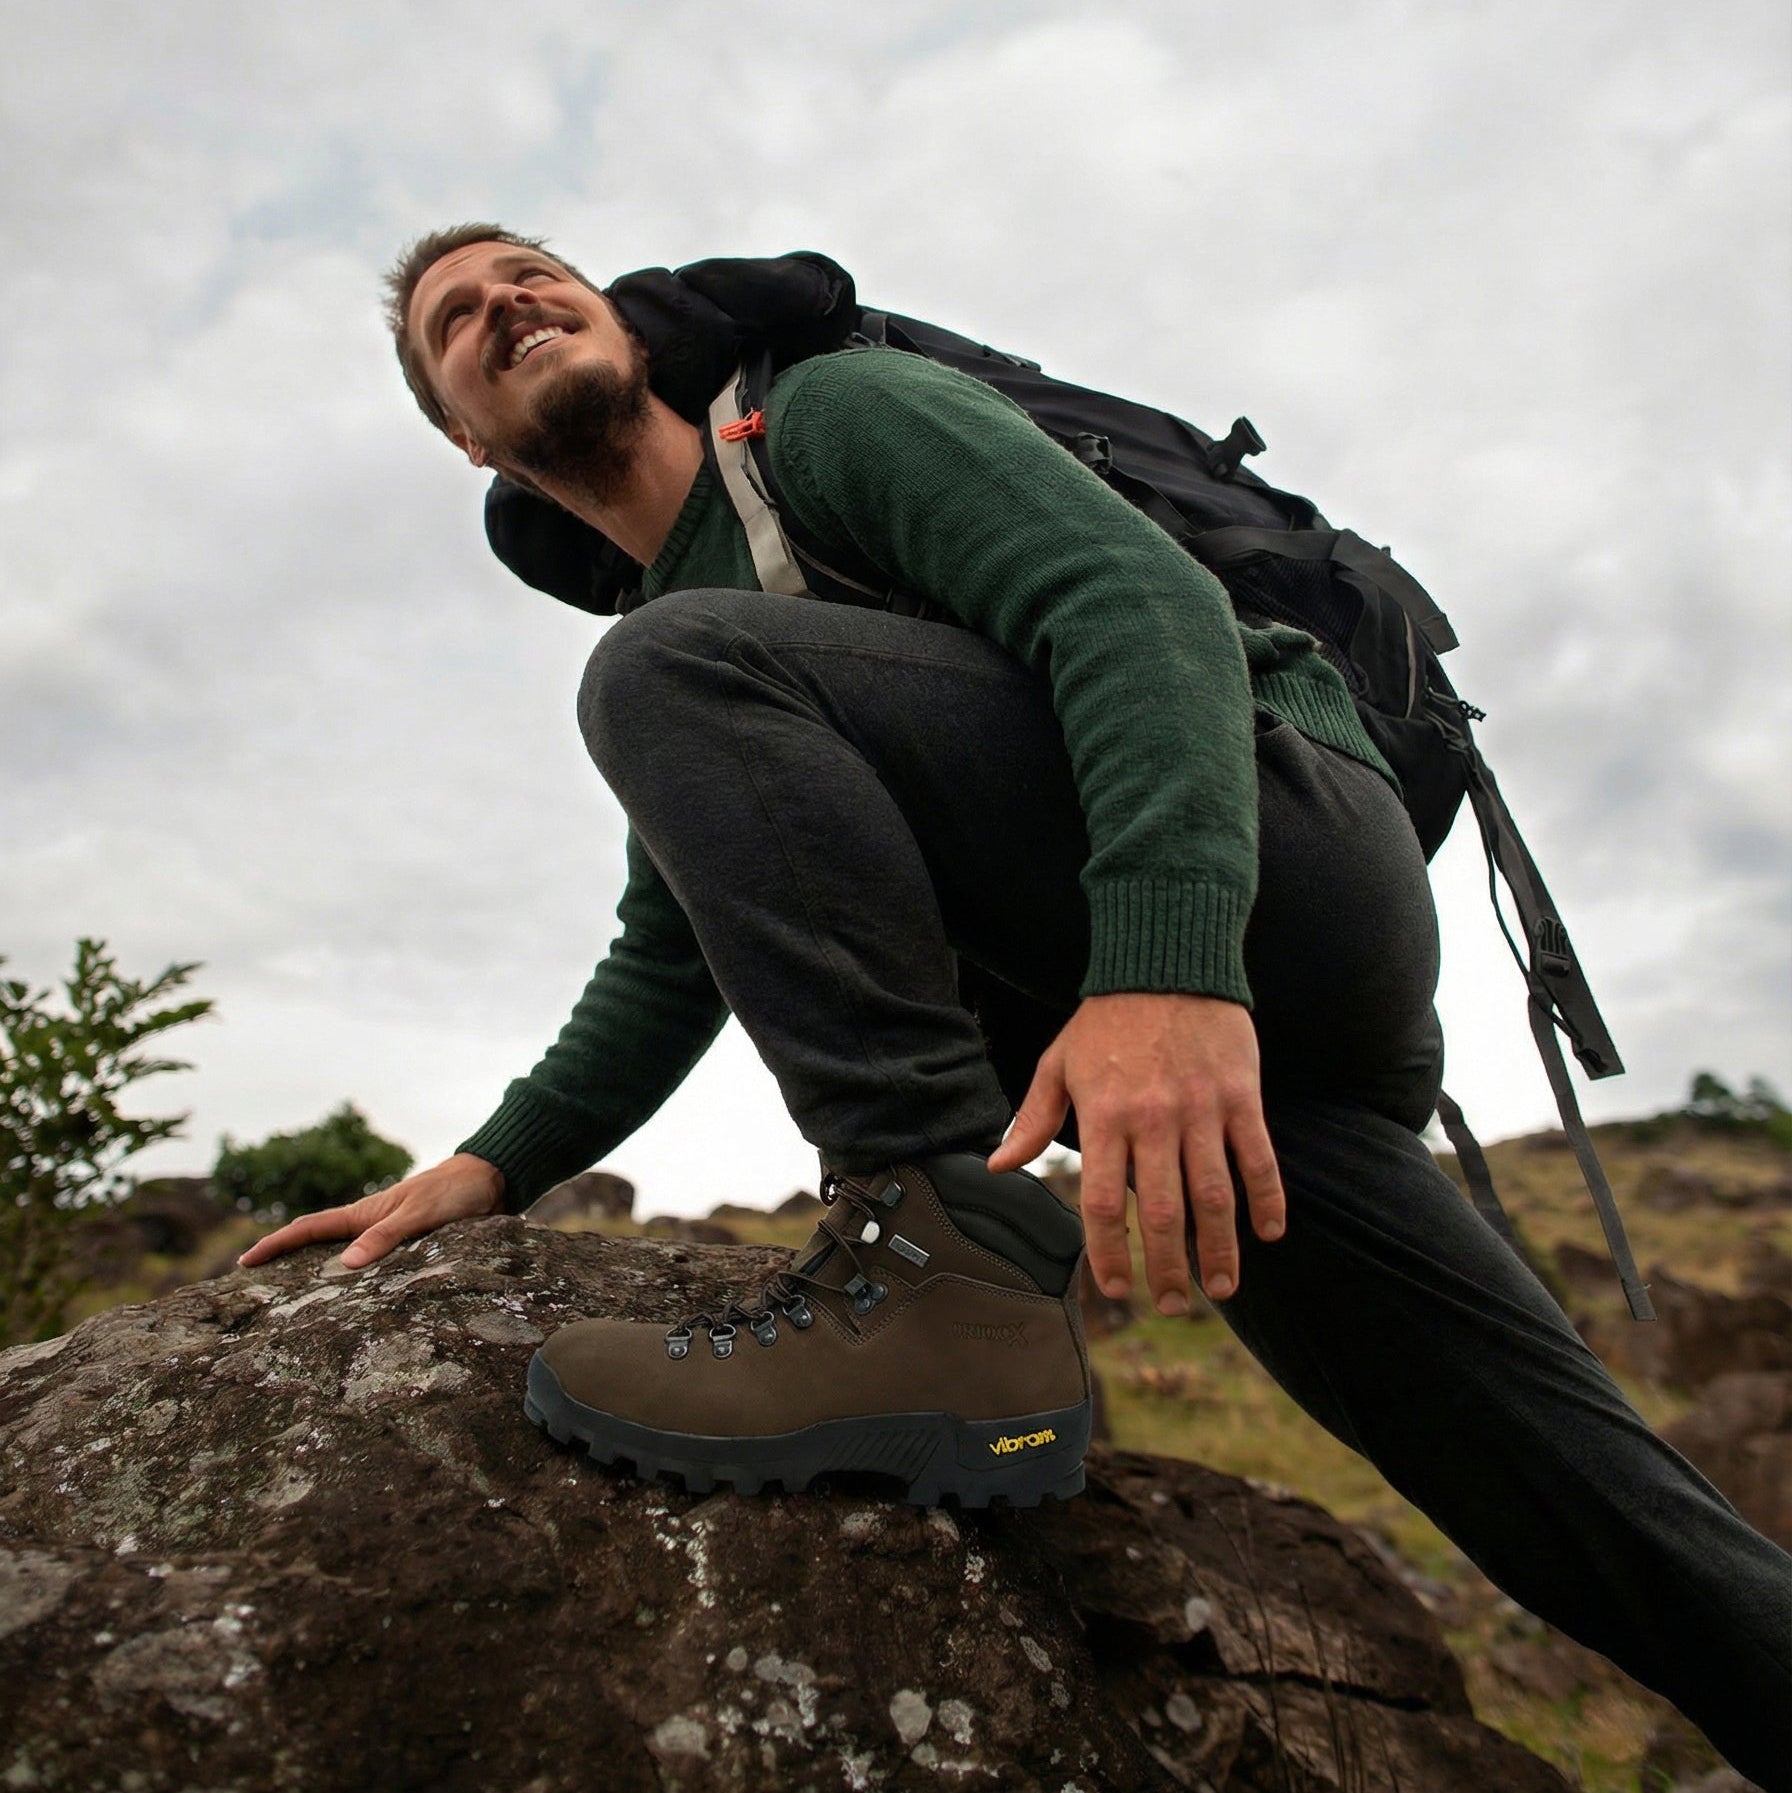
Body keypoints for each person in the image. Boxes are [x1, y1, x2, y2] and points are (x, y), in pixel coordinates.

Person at [241, 225, 1790, 1784]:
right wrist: (490, 1164)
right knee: (1557, 1491)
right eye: (455, 318)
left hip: (1278, 851)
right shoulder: (709, 637)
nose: (505, 300)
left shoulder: (817, 423)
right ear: (467, 439)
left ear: (625, 326)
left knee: (662, 670)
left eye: (531, 271)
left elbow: (1141, 604)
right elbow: (667, 957)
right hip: (1247, 1065)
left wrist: (1164, 966)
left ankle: (937, 1275)